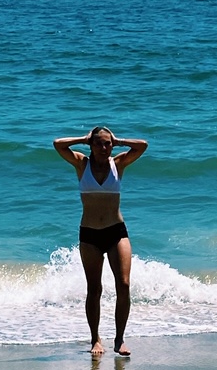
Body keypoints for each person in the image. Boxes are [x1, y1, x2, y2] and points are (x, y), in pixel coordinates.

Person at [53, 125, 148, 358]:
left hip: (117, 232)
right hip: (89, 234)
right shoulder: (81, 164)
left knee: (123, 285)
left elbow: (143, 145)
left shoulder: (119, 163)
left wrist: (119, 140)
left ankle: (119, 339)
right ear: (91, 145)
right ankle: (95, 338)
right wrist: (83, 138)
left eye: (107, 143)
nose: (104, 148)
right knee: (94, 289)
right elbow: (58, 144)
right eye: (99, 143)